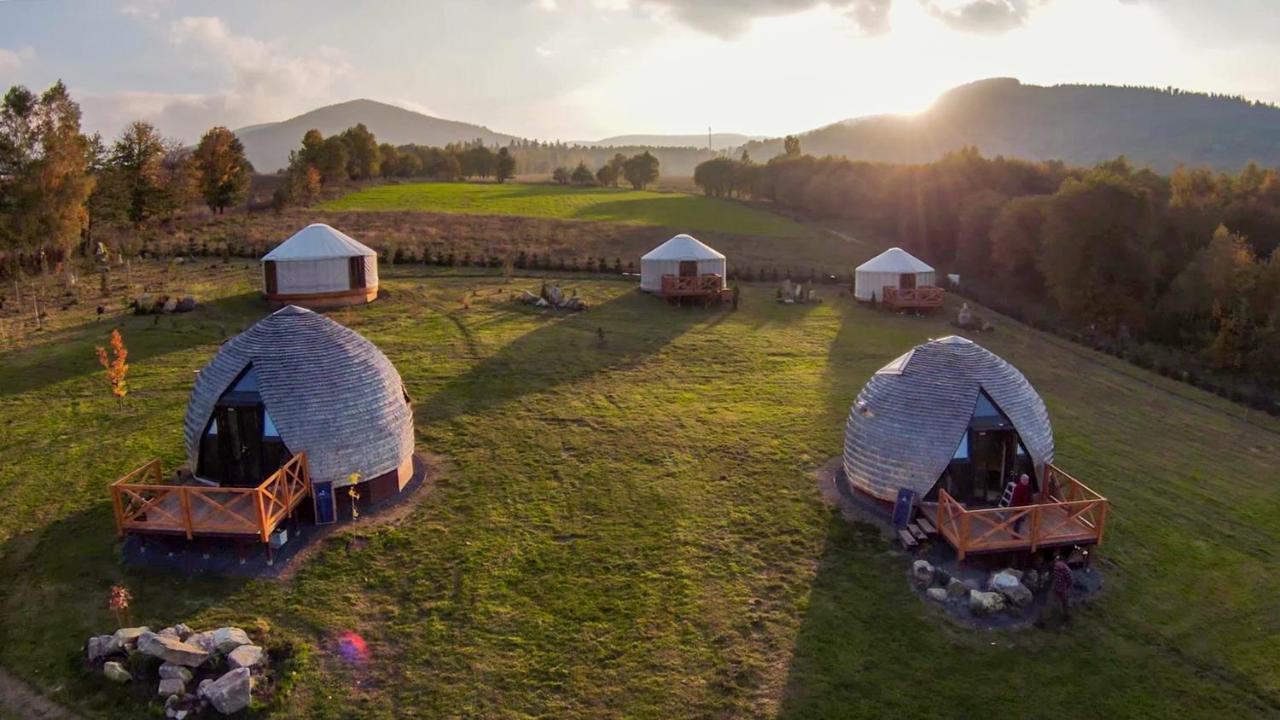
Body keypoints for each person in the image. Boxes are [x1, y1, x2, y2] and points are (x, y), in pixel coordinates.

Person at [1052, 552, 1074, 624]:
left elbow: (1055, 577)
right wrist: (1069, 586)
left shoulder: (1055, 566)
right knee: (1066, 604)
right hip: (1064, 589)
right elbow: (1070, 579)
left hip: (1057, 587)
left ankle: (1050, 617)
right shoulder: (1066, 568)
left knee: (1053, 601)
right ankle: (1067, 618)